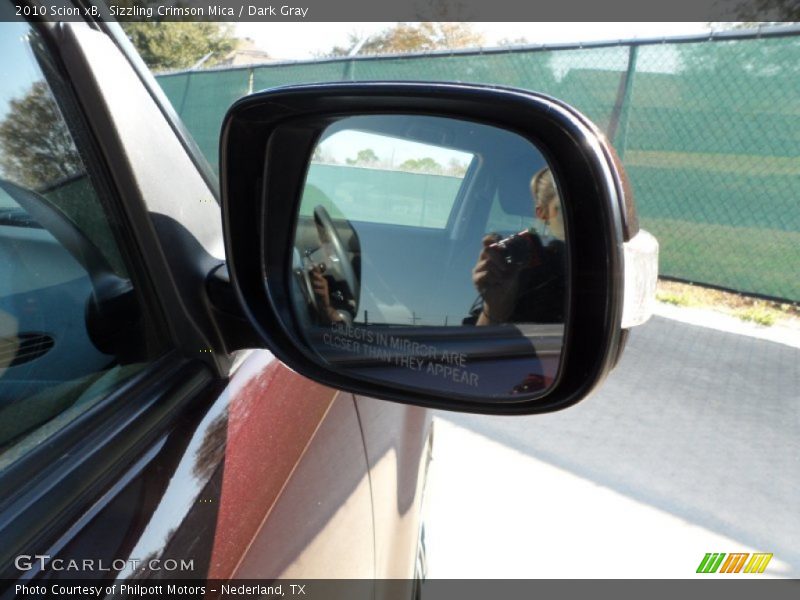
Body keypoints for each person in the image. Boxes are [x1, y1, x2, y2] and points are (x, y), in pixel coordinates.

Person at [470, 167, 566, 326]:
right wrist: (494, 305)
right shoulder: (519, 261)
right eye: (564, 209)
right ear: (542, 213)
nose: (579, 219)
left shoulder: (606, 260)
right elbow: (476, 344)